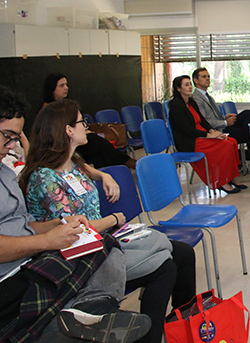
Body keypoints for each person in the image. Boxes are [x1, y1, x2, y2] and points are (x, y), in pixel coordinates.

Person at [19, 99, 196, 343]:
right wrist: (114, 219)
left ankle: (185, 326)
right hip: (77, 258)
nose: (86, 126)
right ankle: (153, 336)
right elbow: (73, 228)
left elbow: (85, 169)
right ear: (68, 130)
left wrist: (103, 175)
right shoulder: (45, 179)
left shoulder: (72, 161)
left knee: (183, 253)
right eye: (82, 122)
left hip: (101, 243)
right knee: (166, 265)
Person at [0, 86, 151, 343]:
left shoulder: (5, 173)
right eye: (8, 136)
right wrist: (46, 241)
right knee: (103, 249)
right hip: (12, 276)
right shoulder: (43, 177)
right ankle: (77, 317)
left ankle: (91, 311)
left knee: (106, 246)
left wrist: (56, 225)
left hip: (28, 261)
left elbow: (25, 225)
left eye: (16, 138)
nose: (13, 145)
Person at [42, 73, 136, 170]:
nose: (66, 88)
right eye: (61, 85)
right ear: (52, 89)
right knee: (97, 143)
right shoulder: (48, 110)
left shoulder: (69, 105)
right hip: (65, 145)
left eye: (66, 84)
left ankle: (108, 172)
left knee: (98, 152)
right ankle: (128, 163)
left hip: (78, 140)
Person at [168, 75, 245, 194]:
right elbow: (187, 130)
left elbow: (202, 120)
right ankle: (222, 181)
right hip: (190, 140)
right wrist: (208, 135)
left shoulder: (191, 102)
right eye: (186, 85)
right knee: (225, 145)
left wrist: (211, 130)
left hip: (201, 134)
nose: (190, 87)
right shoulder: (175, 106)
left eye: (190, 84)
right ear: (178, 89)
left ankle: (232, 177)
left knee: (232, 141)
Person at [190, 68, 250, 177]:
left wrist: (225, 117)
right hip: (216, 130)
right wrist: (225, 123)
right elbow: (204, 121)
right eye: (204, 77)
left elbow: (215, 116)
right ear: (196, 81)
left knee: (247, 114)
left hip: (222, 125)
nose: (208, 79)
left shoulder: (207, 96)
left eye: (208, 76)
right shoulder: (196, 99)